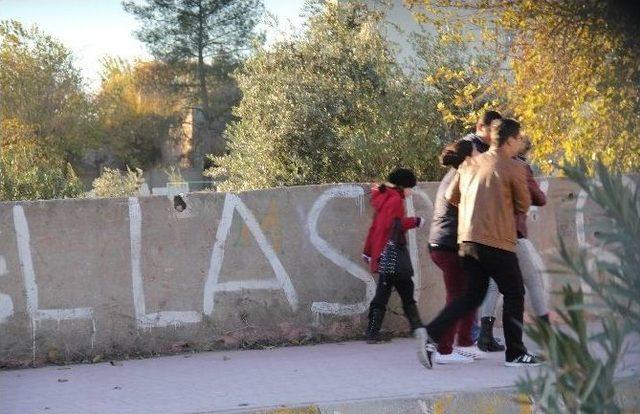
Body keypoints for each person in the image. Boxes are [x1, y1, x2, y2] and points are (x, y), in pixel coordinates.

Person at [421, 118, 542, 368]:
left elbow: (451, 197)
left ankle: (431, 333)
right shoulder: (515, 167)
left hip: (467, 241)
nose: (520, 143)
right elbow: (522, 204)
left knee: (471, 295)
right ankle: (516, 353)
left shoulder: (470, 164)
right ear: (509, 140)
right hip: (497, 241)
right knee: (515, 292)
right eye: (519, 138)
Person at [477, 137, 549, 352]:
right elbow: (539, 198)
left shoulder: (486, 164)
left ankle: (485, 335)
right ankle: (548, 336)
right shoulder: (519, 166)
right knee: (533, 281)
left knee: (494, 283)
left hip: (491, 233)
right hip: (513, 233)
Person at [362, 168, 430, 367]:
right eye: (411, 187)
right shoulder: (395, 201)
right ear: (403, 186)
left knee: (389, 291)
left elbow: (376, 227)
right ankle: (416, 329)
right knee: (403, 292)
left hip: (384, 254)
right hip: (393, 254)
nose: (412, 191)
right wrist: (416, 221)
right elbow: (395, 225)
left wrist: (368, 251)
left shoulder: (384, 198)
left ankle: (373, 332)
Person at [428, 140, 485, 364]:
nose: (481, 154)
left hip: (444, 243)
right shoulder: (462, 177)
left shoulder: (453, 175)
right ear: (469, 157)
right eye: (477, 151)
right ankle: (443, 350)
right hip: (450, 245)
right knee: (459, 296)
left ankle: (464, 343)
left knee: (466, 293)